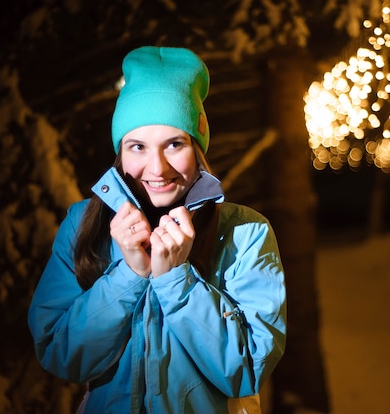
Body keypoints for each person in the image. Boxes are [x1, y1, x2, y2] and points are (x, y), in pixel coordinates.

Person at [28, 46, 287, 413]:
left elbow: (245, 370)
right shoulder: (83, 223)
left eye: (175, 144)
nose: (157, 168)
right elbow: (60, 355)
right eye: (138, 146)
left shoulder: (246, 232)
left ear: (198, 148)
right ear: (121, 151)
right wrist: (129, 275)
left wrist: (176, 281)